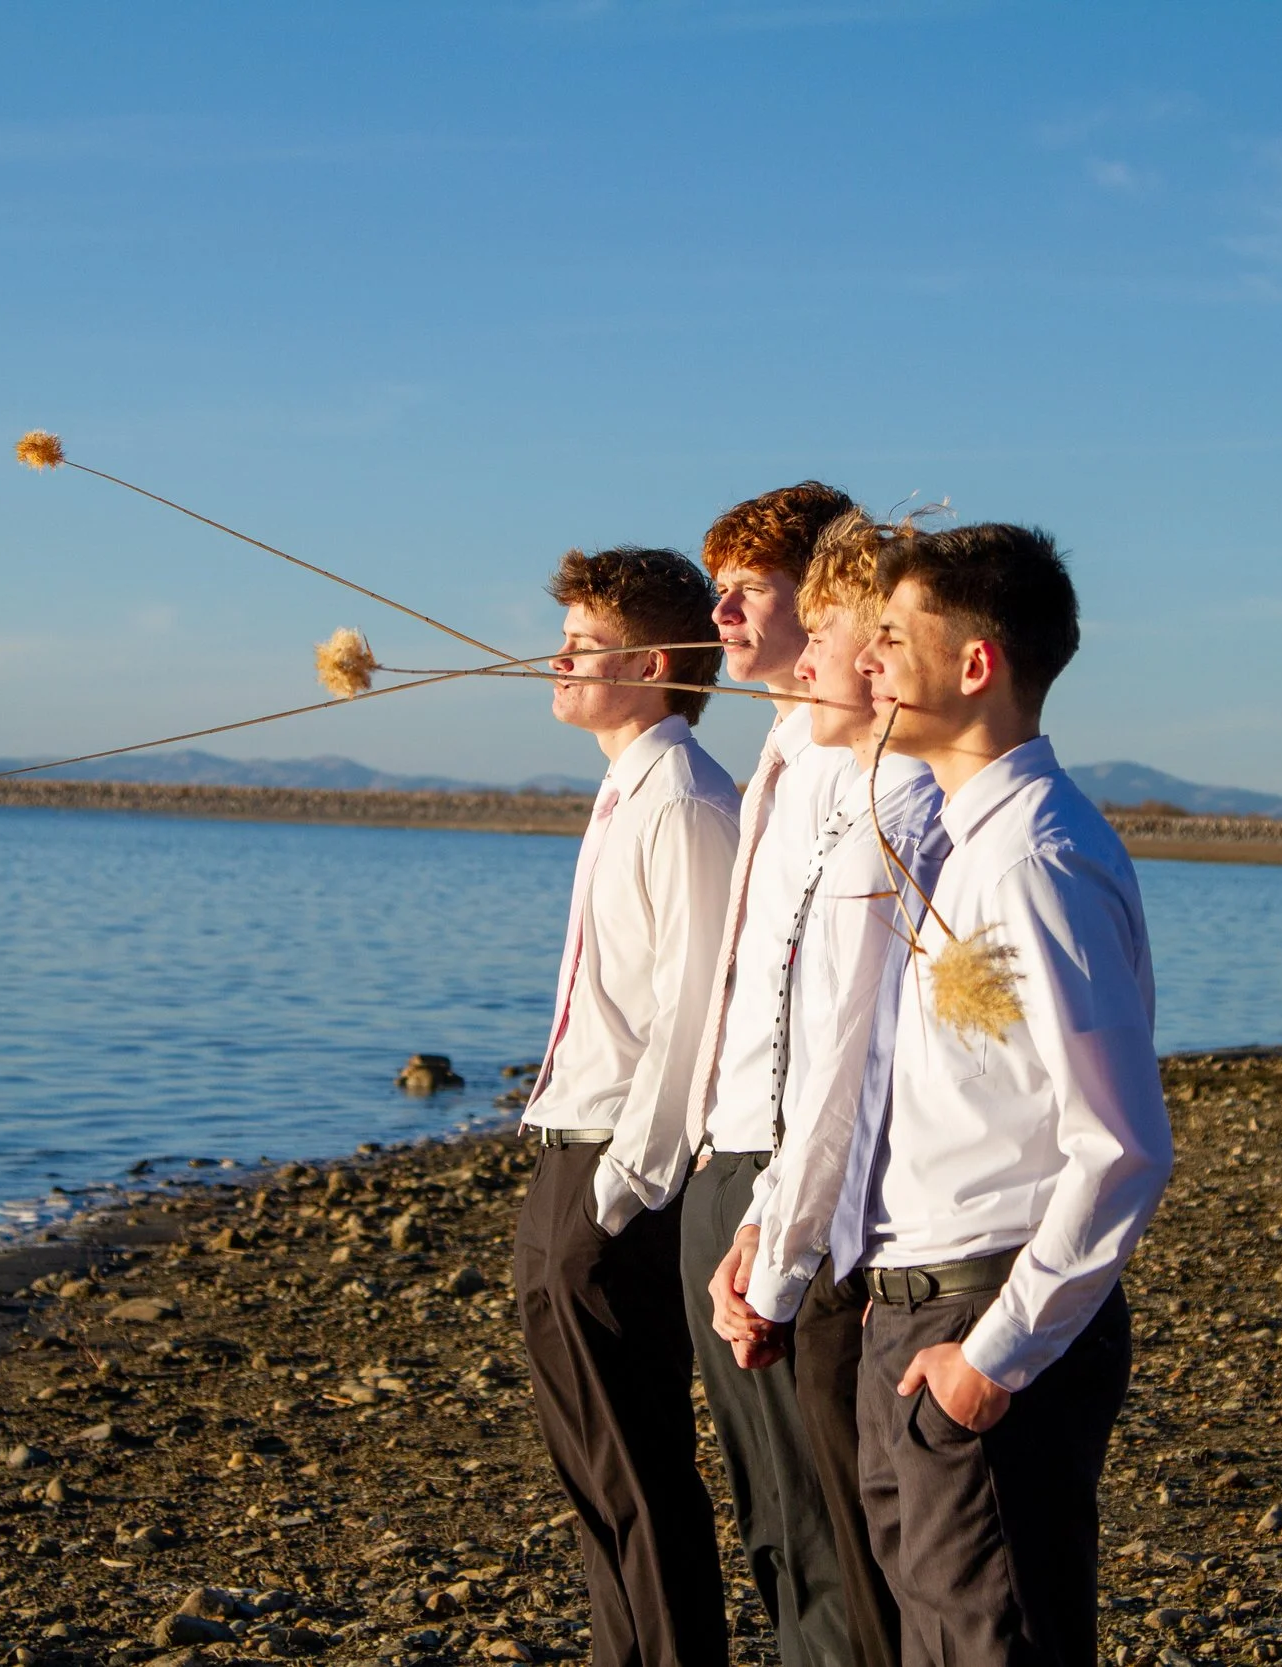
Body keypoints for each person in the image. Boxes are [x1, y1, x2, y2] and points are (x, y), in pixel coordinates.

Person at [850, 523, 1173, 1667]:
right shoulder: (957, 840)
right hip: (913, 1313)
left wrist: (989, 1362)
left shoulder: (1038, 856)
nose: (868, 660)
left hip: (986, 1316)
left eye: (891, 635)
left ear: (976, 664)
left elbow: (1124, 1144)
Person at [705, 509, 945, 1667]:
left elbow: (847, 1067)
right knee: (807, 1531)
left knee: (862, 1554)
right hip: (776, 1187)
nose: (794, 649)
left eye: (823, 621)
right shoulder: (828, 778)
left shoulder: (901, 822)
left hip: (862, 1240)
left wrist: (783, 1250)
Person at [514, 545, 741, 1667]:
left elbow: (693, 1018)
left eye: (583, 643)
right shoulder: (626, 787)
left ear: (654, 662)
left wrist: (618, 1191)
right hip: (569, 1153)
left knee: (635, 1464)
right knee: (590, 1465)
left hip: (614, 1171)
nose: (555, 658)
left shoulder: (688, 799)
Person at [676, 481, 863, 1667]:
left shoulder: (857, 769)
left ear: (827, 594)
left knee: (819, 1519)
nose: (722, 611)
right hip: (725, 1152)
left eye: (750, 586)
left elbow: (838, 1021)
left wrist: (776, 1214)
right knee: (769, 1521)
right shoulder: (778, 752)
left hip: (785, 1174)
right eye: (717, 587)